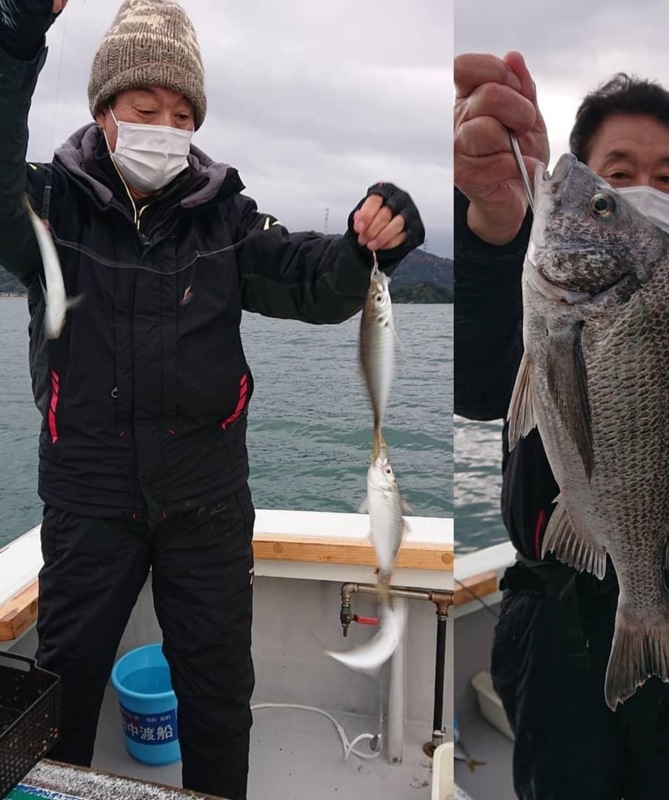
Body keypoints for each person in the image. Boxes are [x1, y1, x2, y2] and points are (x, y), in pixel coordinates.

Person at [0, 2, 425, 799]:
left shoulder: (226, 220)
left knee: (221, 699)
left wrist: (376, 241)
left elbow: (314, 280)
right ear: (104, 112)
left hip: (208, 501)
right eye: (145, 108)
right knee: (62, 700)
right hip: (89, 498)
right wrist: (17, 38)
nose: (166, 125)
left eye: (183, 113)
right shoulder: (48, 210)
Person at [454, 51, 669, 800]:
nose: (644, 191)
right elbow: (479, 388)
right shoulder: (540, 308)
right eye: (614, 176)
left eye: (665, 175)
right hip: (554, 624)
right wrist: (488, 231)